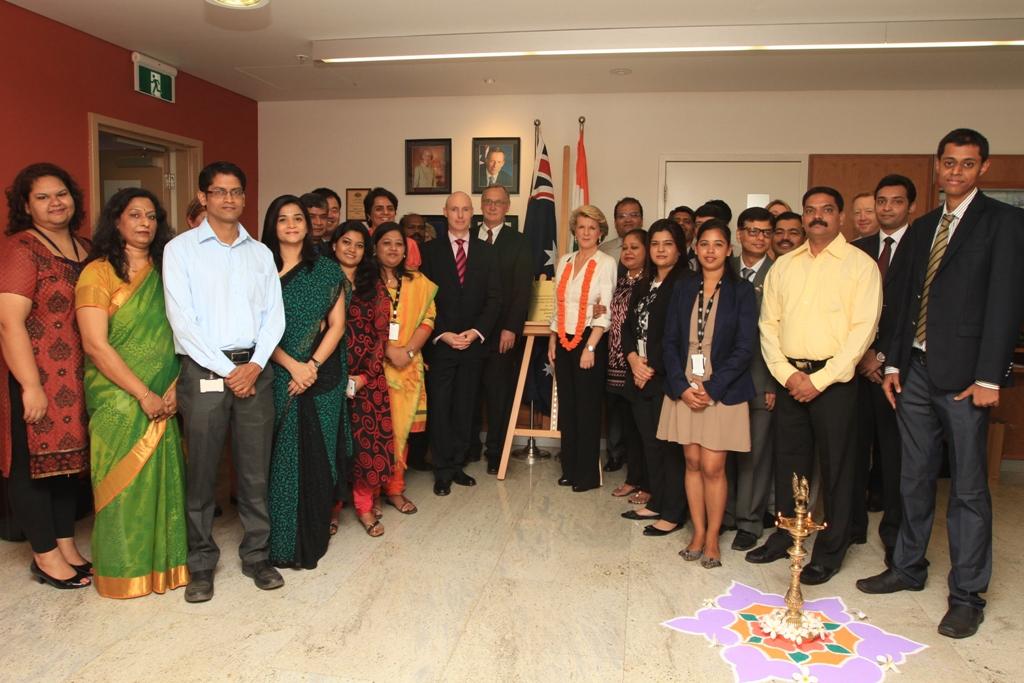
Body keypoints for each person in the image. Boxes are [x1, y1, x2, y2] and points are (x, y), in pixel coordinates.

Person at [858, 129, 1024, 640]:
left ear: (983, 169)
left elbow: (1005, 303)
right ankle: (908, 568)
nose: (956, 172)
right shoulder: (923, 225)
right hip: (915, 372)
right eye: (948, 163)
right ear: (937, 166)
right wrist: (891, 366)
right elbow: (906, 303)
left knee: (970, 488)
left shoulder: (1004, 223)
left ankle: (967, 594)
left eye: (967, 164)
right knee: (913, 476)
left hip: (967, 378)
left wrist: (989, 377)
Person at [163, 161, 286, 602]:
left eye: (236, 191)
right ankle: (200, 563)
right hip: (204, 372)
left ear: (244, 197)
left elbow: (275, 315)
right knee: (203, 474)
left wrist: (253, 365)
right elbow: (183, 320)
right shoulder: (180, 250)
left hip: (256, 371)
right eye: (219, 192)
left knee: (255, 472)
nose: (228, 199)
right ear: (203, 196)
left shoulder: (261, 254)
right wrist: (226, 369)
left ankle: (257, 555)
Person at [746, 186, 881, 586]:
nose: (817, 216)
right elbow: (767, 326)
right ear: (802, 217)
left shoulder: (860, 265)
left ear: (840, 216)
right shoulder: (785, 266)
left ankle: (830, 550)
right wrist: (787, 375)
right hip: (791, 378)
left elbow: (863, 332)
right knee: (789, 462)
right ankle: (786, 532)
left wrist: (819, 380)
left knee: (837, 468)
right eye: (809, 210)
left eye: (825, 210)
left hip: (834, 383)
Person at [75, 187, 188, 598]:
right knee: (122, 485)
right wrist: (143, 394)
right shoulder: (98, 272)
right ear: (117, 221)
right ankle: (125, 573)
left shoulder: (169, 271)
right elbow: (95, 345)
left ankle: (166, 569)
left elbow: (184, 332)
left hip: (168, 391)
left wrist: (176, 387)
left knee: (164, 479)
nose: (145, 223)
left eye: (152, 216)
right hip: (117, 397)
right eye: (135, 214)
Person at [0, 163, 92, 589]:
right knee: (31, 468)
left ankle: (65, 543)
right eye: (43, 197)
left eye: (62, 194)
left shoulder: (84, 247)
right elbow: (8, 322)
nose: (56, 203)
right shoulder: (22, 249)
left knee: (65, 466)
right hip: (34, 376)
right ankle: (44, 555)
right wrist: (31, 385)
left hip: (74, 379)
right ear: (25, 205)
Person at [658, 219, 756, 568]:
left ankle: (713, 537)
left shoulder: (742, 292)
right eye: (704, 244)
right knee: (692, 461)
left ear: (729, 249)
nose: (710, 250)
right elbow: (668, 341)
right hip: (685, 385)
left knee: (714, 466)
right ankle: (697, 533)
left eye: (718, 244)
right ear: (695, 249)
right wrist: (682, 387)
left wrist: (711, 388)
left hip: (722, 388)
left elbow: (745, 348)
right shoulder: (684, 288)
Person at [261, 195, 346, 568]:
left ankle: (310, 538)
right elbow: (254, 331)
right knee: (278, 456)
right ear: (273, 226)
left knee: (316, 455)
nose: (292, 225)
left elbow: (337, 325)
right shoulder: (258, 271)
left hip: (320, 377)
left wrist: (310, 365)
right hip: (273, 373)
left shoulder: (326, 270)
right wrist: (292, 366)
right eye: (283, 219)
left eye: (298, 218)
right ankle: (279, 543)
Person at [848, 175, 916, 564]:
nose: (887, 208)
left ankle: (894, 534)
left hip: (897, 371)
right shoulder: (856, 251)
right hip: (856, 367)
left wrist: (885, 357)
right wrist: (862, 356)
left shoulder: (921, 247)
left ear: (910, 206)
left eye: (896, 202)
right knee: (852, 452)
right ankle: (852, 526)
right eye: (882, 201)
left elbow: (915, 312)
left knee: (894, 457)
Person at [420, 192, 501, 496]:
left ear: (473, 213)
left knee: (465, 407)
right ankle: (441, 470)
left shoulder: (486, 252)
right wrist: (442, 333)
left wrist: (476, 332)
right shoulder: (429, 252)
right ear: (445, 212)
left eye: (465, 209)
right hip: (441, 344)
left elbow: (495, 299)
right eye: (454, 209)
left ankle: (457, 466)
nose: (460, 214)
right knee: (440, 408)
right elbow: (423, 301)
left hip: (472, 345)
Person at [621, 219, 692, 535]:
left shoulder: (686, 283)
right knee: (650, 443)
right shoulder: (644, 282)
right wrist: (634, 360)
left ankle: (673, 512)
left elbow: (681, 335)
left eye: (667, 244)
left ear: (679, 249)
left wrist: (650, 366)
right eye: (655, 244)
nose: (660, 250)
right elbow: (627, 327)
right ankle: (657, 501)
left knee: (670, 448)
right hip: (639, 374)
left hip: (666, 377)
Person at [547, 205, 617, 492]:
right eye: (581, 227)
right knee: (568, 407)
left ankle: (587, 475)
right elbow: (558, 304)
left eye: (592, 228)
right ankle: (569, 468)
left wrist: (590, 347)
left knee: (587, 409)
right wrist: (552, 339)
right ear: (575, 231)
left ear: (600, 232)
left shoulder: (606, 263)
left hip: (590, 340)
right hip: (563, 339)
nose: (586, 232)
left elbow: (604, 309)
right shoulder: (564, 261)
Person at [468, 185, 533, 475]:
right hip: (469, 333)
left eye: (499, 203)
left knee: (498, 397)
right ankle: (468, 449)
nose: (493, 207)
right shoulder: (467, 238)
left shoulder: (519, 242)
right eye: (488, 202)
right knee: (468, 395)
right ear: (481, 205)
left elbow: (522, 290)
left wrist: (511, 328)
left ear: (507, 207)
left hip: (502, 334)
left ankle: (496, 453)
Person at [338, 220, 395, 536]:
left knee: (365, 446)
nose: (352, 250)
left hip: (367, 379)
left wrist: (362, 377)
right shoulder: (323, 281)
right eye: (346, 242)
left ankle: (363, 506)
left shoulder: (373, 286)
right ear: (335, 245)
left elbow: (381, 335)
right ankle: (331, 508)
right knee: (331, 445)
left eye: (359, 245)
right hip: (327, 377)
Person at [725, 207, 777, 552]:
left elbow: (782, 334)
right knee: (723, 450)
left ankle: (749, 521)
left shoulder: (780, 272)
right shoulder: (721, 268)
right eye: (752, 231)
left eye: (765, 232)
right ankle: (726, 513)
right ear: (739, 234)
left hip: (762, 378)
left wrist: (773, 383)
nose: (759, 237)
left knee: (755, 455)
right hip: (722, 379)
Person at [376, 223, 436, 509]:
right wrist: (389, 350)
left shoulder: (418, 282)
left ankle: (395, 488)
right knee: (375, 430)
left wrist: (408, 351)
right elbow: (357, 323)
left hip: (408, 368)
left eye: (398, 244)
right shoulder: (365, 282)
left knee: (403, 431)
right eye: (386, 243)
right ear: (375, 247)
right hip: (374, 367)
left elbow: (428, 319)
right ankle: (369, 493)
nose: (392, 249)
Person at [606, 229, 649, 502]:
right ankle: (632, 478)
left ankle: (647, 483)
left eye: (635, 247)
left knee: (643, 428)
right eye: (625, 248)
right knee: (626, 426)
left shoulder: (651, 283)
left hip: (639, 365)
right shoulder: (619, 281)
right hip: (613, 363)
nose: (629, 252)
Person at [364, 187, 421, 269]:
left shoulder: (409, 244)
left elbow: (413, 278)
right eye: (379, 209)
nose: (386, 212)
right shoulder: (361, 240)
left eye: (390, 209)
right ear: (369, 215)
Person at [598, 197, 643, 262]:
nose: (628, 220)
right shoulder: (603, 250)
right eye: (622, 216)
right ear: (615, 223)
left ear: (641, 220)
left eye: (633, 215)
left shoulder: (652, 247)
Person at [669, 205, 697, 271]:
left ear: (694, 227)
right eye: (676, 221)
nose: (681, 224)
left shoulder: (698, 252)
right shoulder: (663, 250)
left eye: (687, 221)